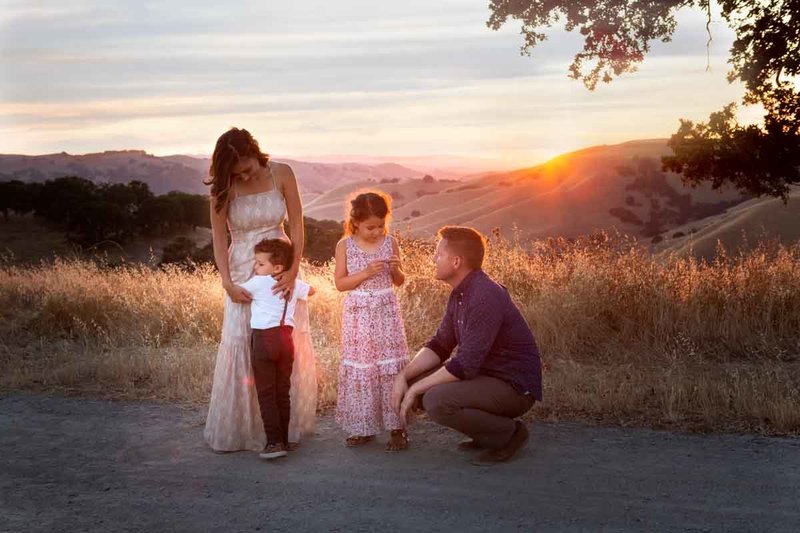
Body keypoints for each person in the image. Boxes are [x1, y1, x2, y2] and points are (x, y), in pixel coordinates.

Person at [203, 127, 317, 453]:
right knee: (243, 340)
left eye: (248, 167)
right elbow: (219, 238)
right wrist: (226, 282)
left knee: (283, 338)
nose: (245, 174)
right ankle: (245, 428)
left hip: (281, 265)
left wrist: (294, 269)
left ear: (256, 151)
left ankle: (282, 427)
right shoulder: (223, 189)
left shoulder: (282, 173)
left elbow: (296, 223)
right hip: (243, 268)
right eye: (238, 172)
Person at [391, 226, 543, 466]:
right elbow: (440, 344)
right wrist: (404, 376)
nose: (433, 258)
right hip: (487, 377)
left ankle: (510, 434)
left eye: (439, 254)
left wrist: (415, 390)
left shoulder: (484, 295)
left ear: (456, 262)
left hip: (513, 387)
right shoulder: (460, 293)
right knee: (414, 382)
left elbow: (465, 365)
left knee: (435, 401)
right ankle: (486, 434)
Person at [333, 192, 410, 452]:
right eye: (370, 227)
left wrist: (396, 270)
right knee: (364, 367)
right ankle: (362, 426)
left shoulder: (391, 243)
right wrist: (365, 273)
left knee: (389, 367)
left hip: (386, 311)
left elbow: (399, 281)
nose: (377, 232)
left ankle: (397, 427)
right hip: (358, 315)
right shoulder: (345, 245)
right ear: (355, 222)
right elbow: (340, 284)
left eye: (381, 225)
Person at [239, 238, 314, 460]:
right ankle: (284, 439)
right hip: (286, 341)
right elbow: (312, 291)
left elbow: (236, 293)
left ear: (277, 267)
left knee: (266, 394)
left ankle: (274, 443)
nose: (256, 267)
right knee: (282, 392)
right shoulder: (292, 282)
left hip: (264, 340)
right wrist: (292, 278)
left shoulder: (258, 282)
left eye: (260, 263)